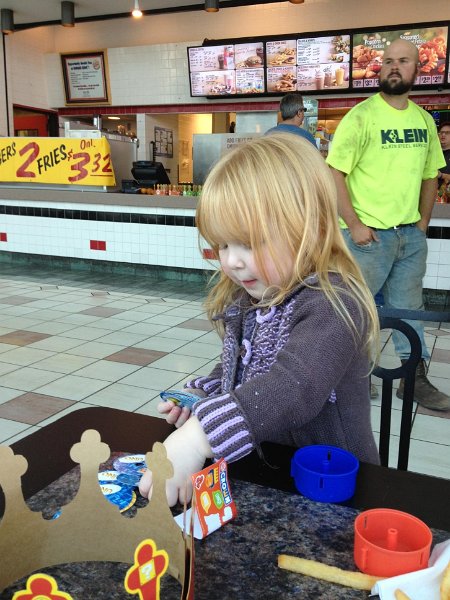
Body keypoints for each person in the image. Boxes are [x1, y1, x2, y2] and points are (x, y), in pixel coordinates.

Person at [139, 133, 380, 506]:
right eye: (223, 244)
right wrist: (205, 396)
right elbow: (239, 368)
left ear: (311, 228)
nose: (233, 261)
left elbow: (293, 387)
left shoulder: (335, 303)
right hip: (270, 470)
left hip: (330, 485)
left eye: (250, 243)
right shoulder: (250, 296)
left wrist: (198, 436)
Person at [327, 38, 450, 411]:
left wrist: (422, 225)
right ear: (380, 68)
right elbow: (334, 173)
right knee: (356, 310)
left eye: (403, 61)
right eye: (388, 61)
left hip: (409, 237)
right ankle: (353, 378)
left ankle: (413, 377)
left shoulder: (423, 120)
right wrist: (354, 224)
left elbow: (431, 176)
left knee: (409, 309)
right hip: (367, 239)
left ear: (418, 69)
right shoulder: (361, 116)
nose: (394, 67)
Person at [437, 121, 450, 200]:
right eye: (441, 132)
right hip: (430, 196)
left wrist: (441, 175)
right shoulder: (431, 153)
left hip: (447, 199)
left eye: (447, 133)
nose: (443, 135)